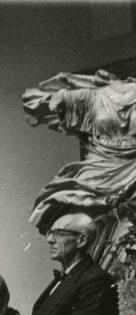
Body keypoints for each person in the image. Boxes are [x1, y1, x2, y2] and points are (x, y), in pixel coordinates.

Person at [23, 70, 136, 232]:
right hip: (99, 163)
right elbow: (52, 102)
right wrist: (58, 100)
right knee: (77, 208)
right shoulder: (92, 96)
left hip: (132, 166)